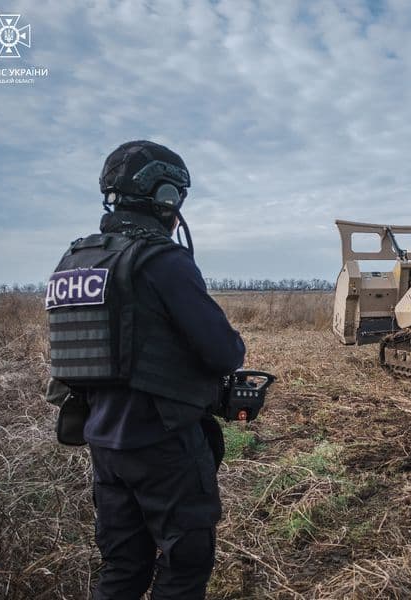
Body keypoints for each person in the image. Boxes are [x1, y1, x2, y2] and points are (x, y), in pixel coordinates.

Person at [45, 140, 245, 599]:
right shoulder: (161, 259)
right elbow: (224, 352)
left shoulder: (74, 260)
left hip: (104, 441)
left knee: (122, 566)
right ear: (166, 198)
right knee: (184, 563)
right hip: (163, 442)